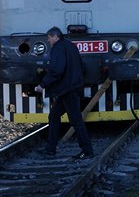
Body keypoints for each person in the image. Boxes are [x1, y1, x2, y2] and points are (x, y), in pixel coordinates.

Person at [34, 26, 94, 160]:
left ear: (55, 37)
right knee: (54, 117)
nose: (49, 41)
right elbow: (82, 67)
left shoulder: (57, 49)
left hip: (68, 90)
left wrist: (42, 85)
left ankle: (87, 151)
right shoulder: (71, 46)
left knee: (76, 121)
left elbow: (57, 69)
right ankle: (50, 150)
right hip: (69, 89)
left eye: (49, 38)